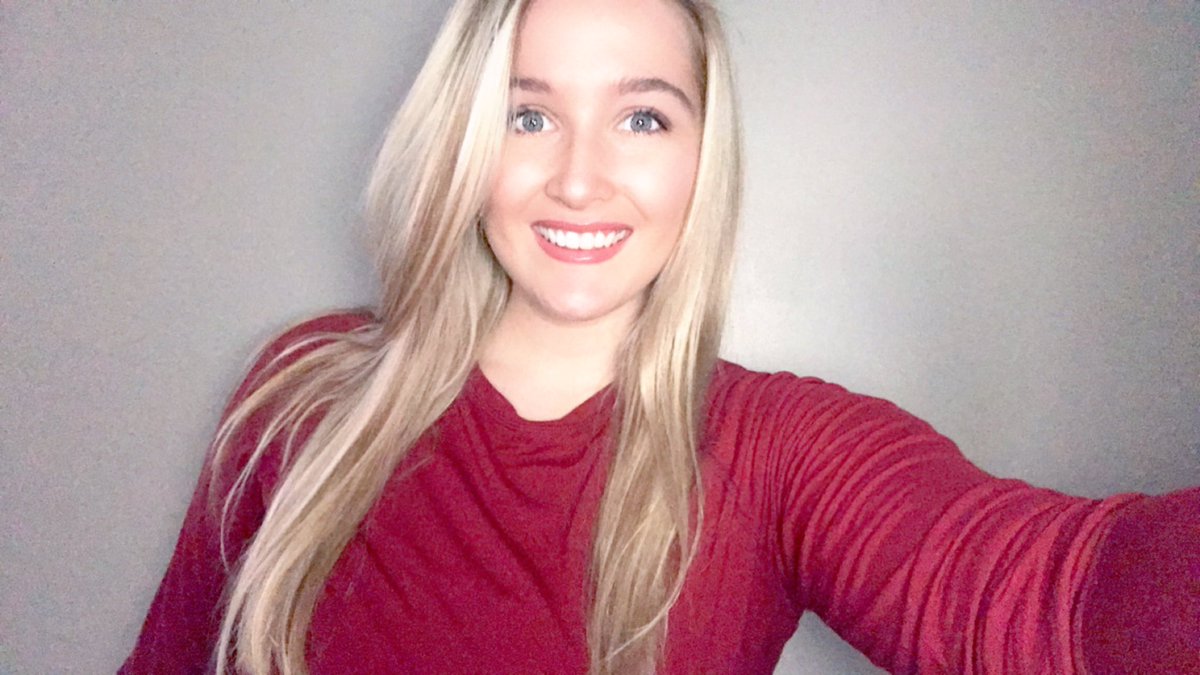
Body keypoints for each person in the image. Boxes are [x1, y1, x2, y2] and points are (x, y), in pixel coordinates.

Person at [121, 0, 1199, 673]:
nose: (579, 178)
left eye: (642, 117)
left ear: (700, 156)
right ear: (463, 142)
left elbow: (1064, 598)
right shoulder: (303, 390)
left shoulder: (777, 451)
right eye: (528, 114)